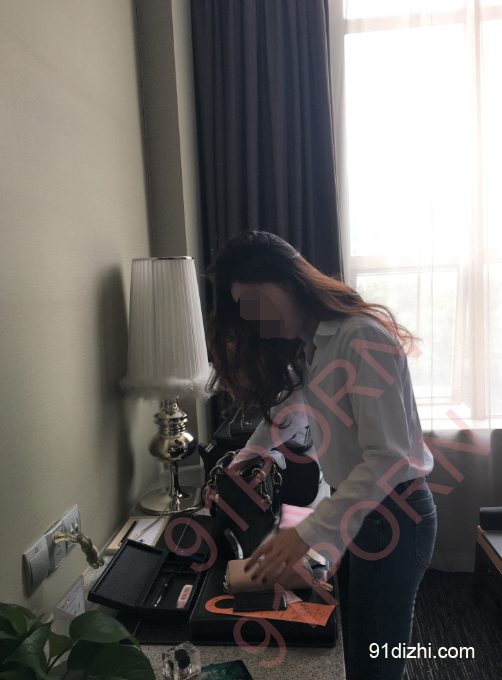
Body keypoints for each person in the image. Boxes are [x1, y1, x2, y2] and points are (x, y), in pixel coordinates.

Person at [205, 231, 437, 680]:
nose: (254, 318)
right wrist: (245, 459)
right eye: (244, 310)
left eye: (255, 301)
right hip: (364, 512)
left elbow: (388, 457)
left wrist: (306, 533)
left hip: (396, 514)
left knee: (376, 658)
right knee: (359, 645)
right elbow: (294, 410)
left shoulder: (360, 336)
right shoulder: (314, 343)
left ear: (288, 278)